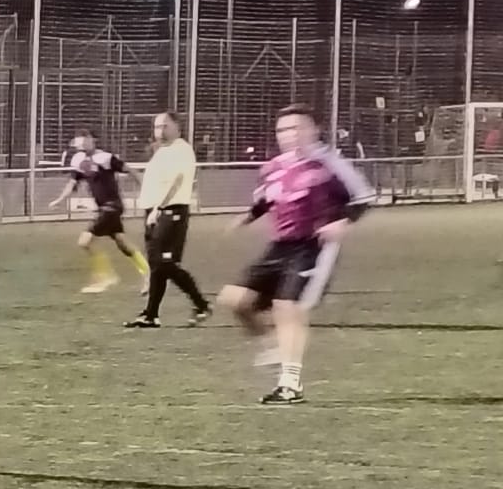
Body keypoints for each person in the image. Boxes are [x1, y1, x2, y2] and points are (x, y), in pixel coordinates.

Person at [215, 105, 372, 404]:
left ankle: (290, 384)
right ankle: (275, 345)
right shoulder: (274, 166)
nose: (289, 135)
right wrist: (247, 217)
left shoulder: (329, 163)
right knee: (235, 300)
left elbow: (363, 197)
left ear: (313, 130)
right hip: (280, 246)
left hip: (313, 245)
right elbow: (266, 199)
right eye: (282, 130)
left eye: (296, 128)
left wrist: (342, 221)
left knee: (286, 307)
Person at [126, 112, 211, 328]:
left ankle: (201, 305)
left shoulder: (181, 149)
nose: (160, 131)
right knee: (158, 265)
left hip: (170, 210)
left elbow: (177, 180)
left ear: (177, 127)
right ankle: (151, 315)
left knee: (165, 263)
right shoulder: (162, 151)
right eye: (157, 126)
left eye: (165, 126)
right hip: (155, 212)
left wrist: (159, 207)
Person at [51, 127, 148, 293]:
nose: (82, 147)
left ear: (92, 140)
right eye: (79, 144)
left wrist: (144, 185)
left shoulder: (105, 158)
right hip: (104, 208)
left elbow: (129, 169)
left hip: (112, 206)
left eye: (85, 141)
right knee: (122, 242)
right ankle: (148, 272)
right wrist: (60, 200)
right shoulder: (78, 161)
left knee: (85, 241)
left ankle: (106, 277)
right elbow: (72, 183)